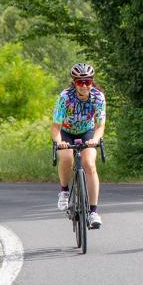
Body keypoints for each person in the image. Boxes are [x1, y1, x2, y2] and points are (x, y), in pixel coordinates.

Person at [51, 63, 106, 229]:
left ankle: (93, 212)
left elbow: (100, 126)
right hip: (66, 132)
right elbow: (55, 127)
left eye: (87, 81)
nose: (84, 85)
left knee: (89, 164)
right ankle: (64, 191)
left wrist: (95, 139)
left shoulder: (98, 97)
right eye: (80, 82)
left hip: (87, 132)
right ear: (74, 82)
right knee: (67, 158)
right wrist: (59, 141)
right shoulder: (65, 97)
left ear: (92, 81)